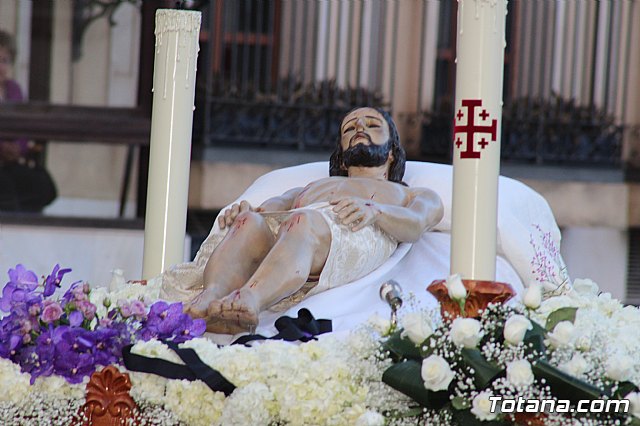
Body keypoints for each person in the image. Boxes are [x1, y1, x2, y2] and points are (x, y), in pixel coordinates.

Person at [185, 107, 444, 334]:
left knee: (303, 221)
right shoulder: (312, 188)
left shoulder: (410, 193)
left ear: (391, 154)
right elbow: (273, 208)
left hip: (352, 230)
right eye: (349, 128)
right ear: (342, 157)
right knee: (249, 223)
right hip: (295, 231)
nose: (359, 127)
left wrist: (376, 211)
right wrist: (247, 210)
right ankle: (211, 295)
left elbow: (417, 222)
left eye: (372, 124)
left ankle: (250, 299)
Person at [0, 29, 56, 212]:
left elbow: (23, 129)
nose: (0, 66)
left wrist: (17, 150)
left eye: (4, 60)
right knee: (7, 192)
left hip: (11, 162)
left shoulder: (14, 90)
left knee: (44, 187)